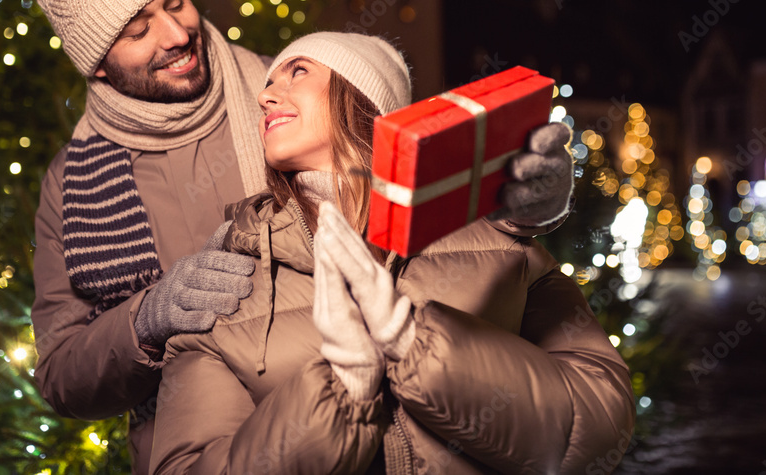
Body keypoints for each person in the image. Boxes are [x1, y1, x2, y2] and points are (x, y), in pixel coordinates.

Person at [7, 0, 578, 474]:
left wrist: (520, 207)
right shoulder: (72, 186)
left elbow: (414, 207)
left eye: (175, 3)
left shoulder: (278, 99)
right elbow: (60, 375)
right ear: (98, 62)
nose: (176, 34)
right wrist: (147, 320)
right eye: (136, 30)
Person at [148, 32, 635, 474]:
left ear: (363, 99)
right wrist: (340, 391)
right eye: (269, 80)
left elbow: (595, 422)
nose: (264, 95)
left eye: (298, 71)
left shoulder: (498, 244)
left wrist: (413, 343)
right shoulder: (228, 280)